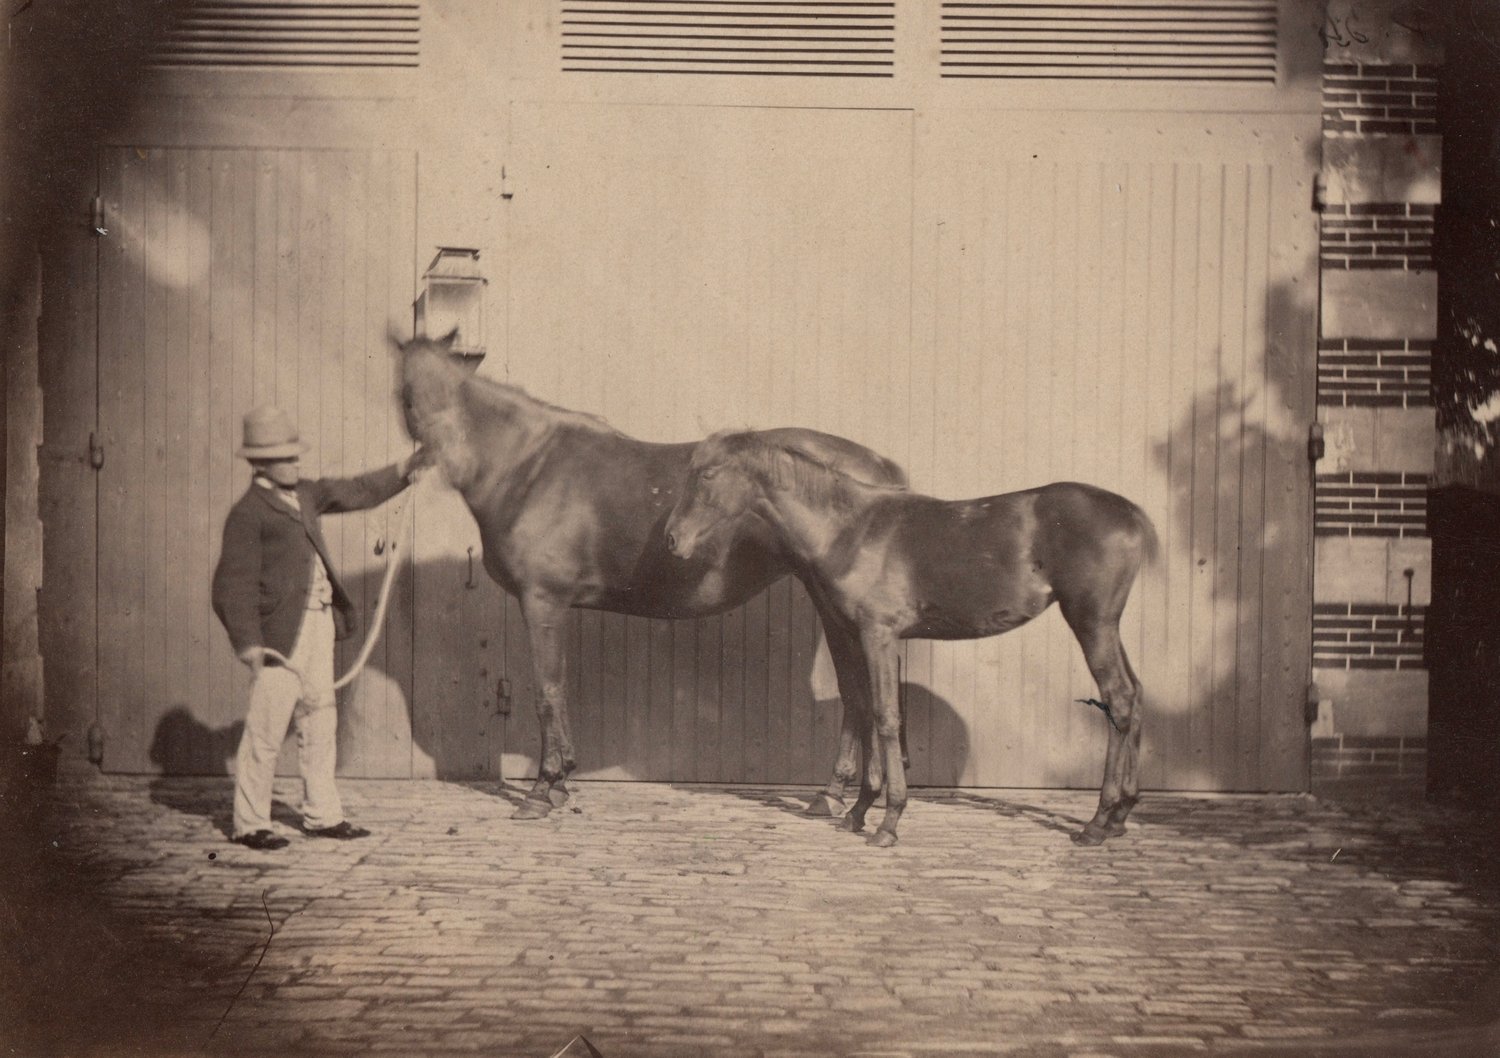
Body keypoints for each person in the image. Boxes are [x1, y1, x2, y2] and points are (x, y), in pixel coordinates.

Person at [212, 404, 424, 850]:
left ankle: (323, 815)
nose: (296, 462)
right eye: (287, 457)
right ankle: (250, 823)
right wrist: (248, 642)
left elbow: (358, 490)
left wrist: (407, 468)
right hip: (279, 637)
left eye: (296, 455)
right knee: (267, 729)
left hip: (319, 625)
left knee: (320, 718)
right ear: (261, 463)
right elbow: (232, 586)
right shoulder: (248, 513)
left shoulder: (306, 494)